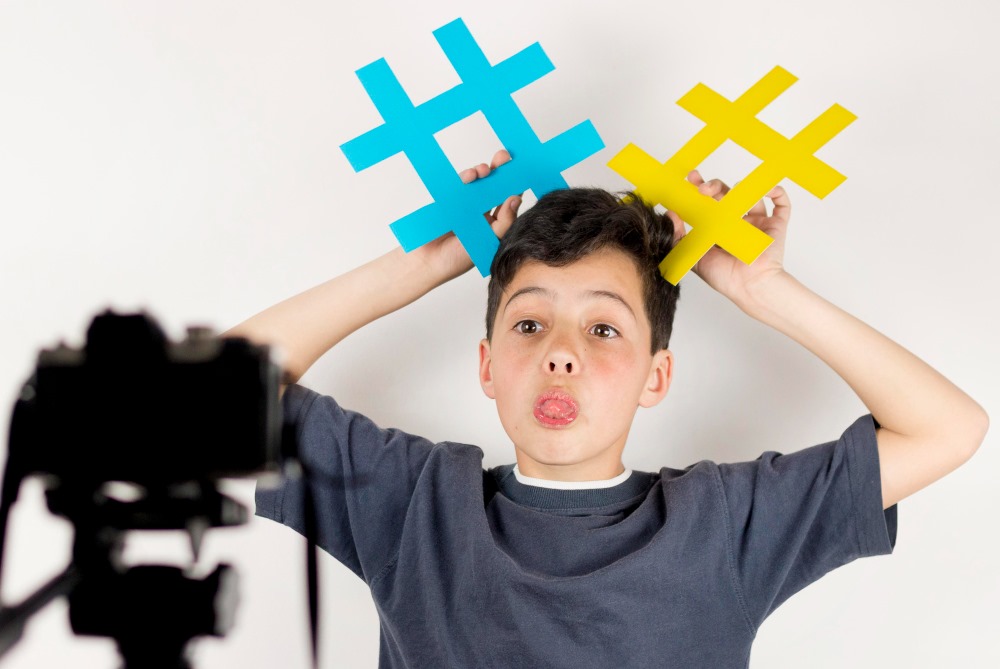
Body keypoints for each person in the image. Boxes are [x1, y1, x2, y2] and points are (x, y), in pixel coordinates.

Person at [226, 150, 988, 667]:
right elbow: (206, 396)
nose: (562, 352)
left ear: (657, 375)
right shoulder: (413, 505)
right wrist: (416, 267)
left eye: (602, 327)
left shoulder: (727, 522)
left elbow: (949, 427)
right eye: (530, 322)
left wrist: (765, 292)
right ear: (487, 365)